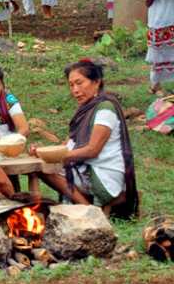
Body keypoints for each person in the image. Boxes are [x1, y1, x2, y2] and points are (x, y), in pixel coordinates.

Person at [35, 60, 138, 218]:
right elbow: (68, 144)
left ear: (96, 82)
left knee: (44, 169)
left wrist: (56, 156)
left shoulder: (105, 109)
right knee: (43, 164)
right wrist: (43, 151)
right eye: (71, 85)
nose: (75, 90)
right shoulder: (86, 109)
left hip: (104, 175)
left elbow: (92, 150)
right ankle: (84, 206)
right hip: (89, 169)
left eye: (79, 83)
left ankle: (87, 210)